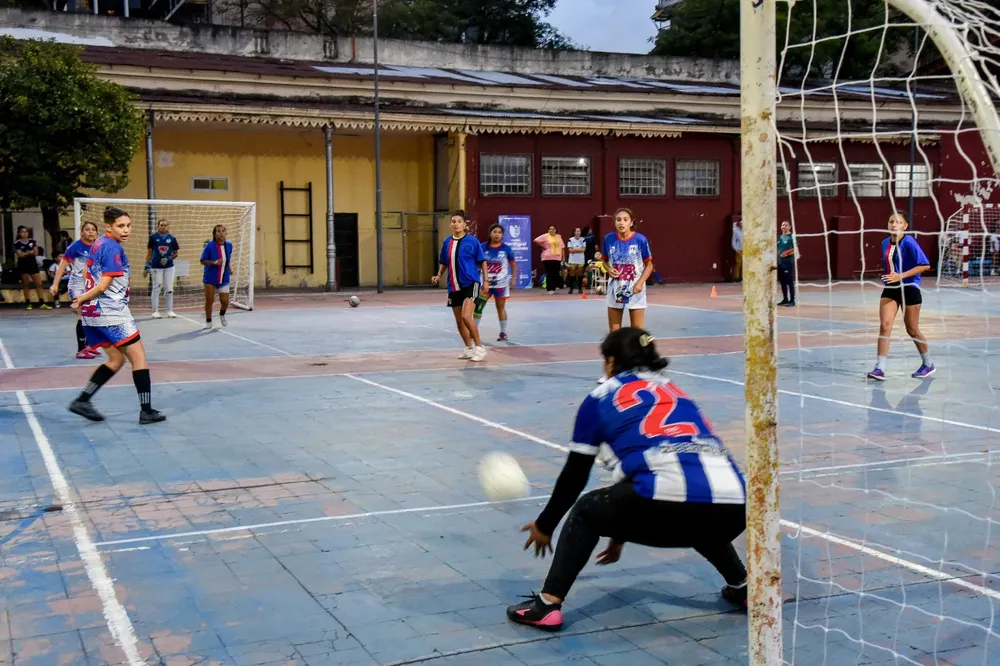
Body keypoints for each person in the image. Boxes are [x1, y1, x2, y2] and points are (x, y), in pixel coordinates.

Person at [506, 327, 748, 632]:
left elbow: (574, 475)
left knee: (586, 508)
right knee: (698, 504)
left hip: (660, 503)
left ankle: (547, 605)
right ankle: (743, 587)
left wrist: (545, 525)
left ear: (610, 362)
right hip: (735, 507)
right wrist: (619, 531)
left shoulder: (600, 397)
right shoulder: (676, 392)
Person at [68, 206, 166, 425]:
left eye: (128, 225)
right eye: (120, 226)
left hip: (93, 313)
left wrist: (85, 300)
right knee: (139, 358)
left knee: (116, 358)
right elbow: (103, 285)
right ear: (108, 227)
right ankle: (146, 410)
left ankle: (83, 400)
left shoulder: (98, 244)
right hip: (112, 313)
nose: (126, 230)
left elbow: (86, 273)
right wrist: (82, 298)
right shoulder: (112, 248)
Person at [868, 213, 934, 380]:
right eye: (891, 221)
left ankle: (928, 364)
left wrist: (900, 275)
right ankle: (880, 368)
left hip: (909, 287)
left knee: (912, 329)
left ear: (905, 226)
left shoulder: (909, 242)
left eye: (898, 222)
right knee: (885, 326)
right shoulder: (885, 243)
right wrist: (891, 277)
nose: (893, 224)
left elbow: (925, 265)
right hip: (891, 288)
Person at [432, 211, 489, 361]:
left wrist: (486, 280)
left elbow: (482, 260)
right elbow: (444, 262)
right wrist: (438, 275)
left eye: (459, 221)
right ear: (451, 225)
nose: (456, 223)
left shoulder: (472, 241)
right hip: (453, 285)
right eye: (453, 221)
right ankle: (468, 348)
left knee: (466, 317)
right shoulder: (447, 242)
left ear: (464, 225)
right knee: (459, 321)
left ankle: (479, 347)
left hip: (471, 283)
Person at [50, 221, 102, 358]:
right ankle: (81, 350)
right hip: (77, 284)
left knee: (92, 315)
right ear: (82, 232)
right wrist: (55, 284)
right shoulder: (75, 247)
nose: (90, 232)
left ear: (96, 232)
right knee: (83, 314)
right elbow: (62, 266)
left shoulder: (99, 247)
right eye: (87, 229)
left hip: (92, 285)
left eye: (93, 229)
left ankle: (89, 345)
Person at [474, 223, 518, 342]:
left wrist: (513, 279)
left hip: (501, 285)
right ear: (490, 233)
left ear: (502, 235)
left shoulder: (506, 249)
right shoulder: (482, 248)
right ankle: (474, 331)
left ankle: (503, 332)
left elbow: (513, 265)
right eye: (495, 232)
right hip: (485, 285)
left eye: (499, 232)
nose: (497, 234)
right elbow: (476, 263)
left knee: (500, 308)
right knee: (478, 307)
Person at [145, 218, 180, 318]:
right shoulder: (153, 238)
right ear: (158, 226)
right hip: (156, 266)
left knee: (169, 288)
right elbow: (149, 252)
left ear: (168, 227)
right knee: (157, 287)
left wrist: (169, 258)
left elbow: (176, 253)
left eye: (165, 225)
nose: (163, 227)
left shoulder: (172, 239)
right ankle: (155, 311)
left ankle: (170, 310)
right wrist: (146, 265)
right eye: (161, 225)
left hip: (169, 267)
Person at [200, 225, 233, 329]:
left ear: (226, 233)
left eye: (223, 231)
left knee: (225, 302)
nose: (221, 233)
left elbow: (227, 259)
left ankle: (222, 314)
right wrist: (214, 262)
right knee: (209, 300)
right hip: (210, 278)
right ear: (214, 234)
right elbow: (202, 260)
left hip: (224, 278)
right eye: (218, 231)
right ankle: (208, 320)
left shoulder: (229, 245)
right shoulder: (210, 246)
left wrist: (229, 268)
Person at [14, 226, 51, 310]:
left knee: (38, 283)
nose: (24, 233)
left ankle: (42, 302)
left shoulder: (32, 241)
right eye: (22, 232)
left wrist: (27, 253)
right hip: (23, 264)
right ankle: (28, 303)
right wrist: (29, 252)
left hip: (32, 263)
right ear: (19, 233)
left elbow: (36, 252)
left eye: (26, 232)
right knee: (26, 284)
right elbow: (20, 254)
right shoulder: (17, 243)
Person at [534, 226, 565, 294]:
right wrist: (543, 246)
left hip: (557, 257)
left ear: (555, 230)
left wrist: (563, 258)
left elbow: (562, 248)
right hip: (547, 257)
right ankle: (550, 289)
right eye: (550, 229)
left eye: (553, 229)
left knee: (556, 273)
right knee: (550, 273)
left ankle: (553, 289)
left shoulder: (559, 237)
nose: (551, 230)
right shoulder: (545, 236)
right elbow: (536, 240)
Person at [777, 220, 797, 307]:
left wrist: (787, 253)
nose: (784, 226)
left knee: (789, 282)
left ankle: (792, 300)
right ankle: (785, 299)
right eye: (782, 225)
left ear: (789, 227)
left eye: (786, 225)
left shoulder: (791, 237)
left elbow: (795, 249)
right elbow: (778, 249)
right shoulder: (780, 237)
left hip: (788, 262)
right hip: (780, 263)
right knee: (782, 282)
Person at [566, 228, 587, 294]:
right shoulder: (570, 240)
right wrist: (578, 249)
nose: (578, 232)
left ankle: (580, 288)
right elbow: (570, 250)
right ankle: (571, 288)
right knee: (572, 274)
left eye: (579, 231)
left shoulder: (583, 240)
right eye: (577, 231)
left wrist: (574, 249)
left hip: (580, 259)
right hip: (572, 260)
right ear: (574, 232)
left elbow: (583, 250)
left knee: (580, 274)